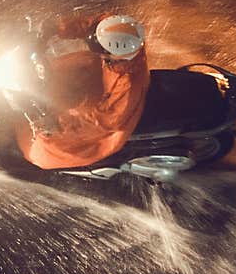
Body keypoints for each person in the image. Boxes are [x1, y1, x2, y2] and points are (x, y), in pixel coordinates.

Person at [13, 13, 151, 169]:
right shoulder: (119, 29)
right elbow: (89, 24)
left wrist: (56, 125)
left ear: (114, 55)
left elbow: (101, 123)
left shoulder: (126, 88)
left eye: (100, 48)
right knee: (60, 70)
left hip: (103, 119)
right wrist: (52, 29)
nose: (96, 46)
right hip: (100, 72)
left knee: (46, 147)